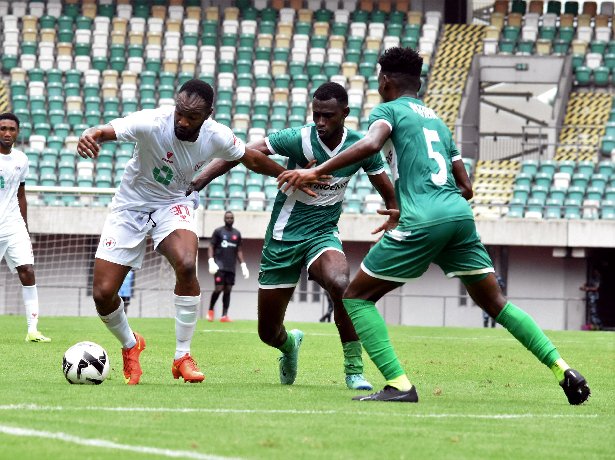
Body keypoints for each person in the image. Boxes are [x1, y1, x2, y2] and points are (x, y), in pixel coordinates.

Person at [277, 47, 591, 405]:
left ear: (385, 80)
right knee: (496, 302)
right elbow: (467, 187)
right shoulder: (438, 122)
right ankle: (562, 368)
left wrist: (316, 170)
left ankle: (398, 384)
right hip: (458, 217)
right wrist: (430, 202)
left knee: (355, 298)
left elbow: (373, 143)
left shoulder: (389, 110)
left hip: (423, 218)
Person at [76, 79, 295, 385]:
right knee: (102, 293)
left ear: (208, 115)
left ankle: (182, 356)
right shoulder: (152, 123)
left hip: (174, 203)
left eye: (192, 116)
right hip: (130, 205)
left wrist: (288, 173)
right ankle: (130, 344)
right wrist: (91, 134)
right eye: (180, 112)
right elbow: (104, 131)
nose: (182, 120)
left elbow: (251, 158)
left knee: (186, 262)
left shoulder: (216, 135)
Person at [189, 82, 398, 391]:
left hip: (322, 235)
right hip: (282, 238)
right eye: (316, 115)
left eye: (328, 116)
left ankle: (354, 370)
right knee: (268, 333)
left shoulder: (360, 147)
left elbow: (389, 195)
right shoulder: (298, 139)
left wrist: (395, 213)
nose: (321, 122)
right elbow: (243, 152)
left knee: (342, 285)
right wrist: (201, 179)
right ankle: (289, 346)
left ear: (345, 114)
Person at [0, 113, 51, 343]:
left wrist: (26, 228)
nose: (7, 133)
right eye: (2, 129)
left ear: (18, 132)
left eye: (11, 129)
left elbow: (21, 194)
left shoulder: (22, 159)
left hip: (13, 225)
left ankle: (33, 330)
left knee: (27, 270)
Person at [207, 210, 249, 322]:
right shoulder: (218, 232)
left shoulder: (237, 234)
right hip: (219, 265)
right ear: (224, 219)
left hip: (231, 266)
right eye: (227, 218)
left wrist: (243, 265)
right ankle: (210, 311)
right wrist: (211, 260)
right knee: (218, 288)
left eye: (231, 218)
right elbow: (211, 246)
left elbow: (239, 250)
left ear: (233, 219)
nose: (229, 219)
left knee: (228, 290)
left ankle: (224, 316)